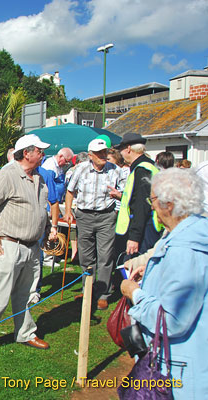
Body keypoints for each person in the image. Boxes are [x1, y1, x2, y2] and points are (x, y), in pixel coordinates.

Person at [120, 168, 208, 399]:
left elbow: (173, 319)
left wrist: (135, 293)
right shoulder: (179, 234)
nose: (151, 206)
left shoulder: (185, 249)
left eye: (154, 200)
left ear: (169, 204)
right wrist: (150, 272)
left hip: (181, 373)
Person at [0, 134, 55, 357]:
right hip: (9, 245)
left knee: (26, 293)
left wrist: (47, 229)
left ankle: (26, 333)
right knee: (1, 293)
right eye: (39, 150)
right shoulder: (7, 175)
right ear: (27, 153)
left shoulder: (38, 177)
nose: (43, 154)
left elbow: (41, 209)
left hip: (32, 247)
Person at [65, 139, 126, 310]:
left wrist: (118, 203)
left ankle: (103, 294)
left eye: (104, 152)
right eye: (99, 153)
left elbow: (124, 192)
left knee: (105, 256)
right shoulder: (81, 169)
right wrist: (68, 211)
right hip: (84, 216)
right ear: (90, 155)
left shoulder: (116, 170)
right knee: (86, 256)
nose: (103, 156)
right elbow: (70, 191)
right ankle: (87, 290)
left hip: (106, 216)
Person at [113, 133, 162, 258]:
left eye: (121, 150)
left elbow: (141, 204)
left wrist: (134, 237)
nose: (121, 154)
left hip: (145, 228)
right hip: (147, 226)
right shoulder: (148, 166)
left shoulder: (142, 169)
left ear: (128, 149)